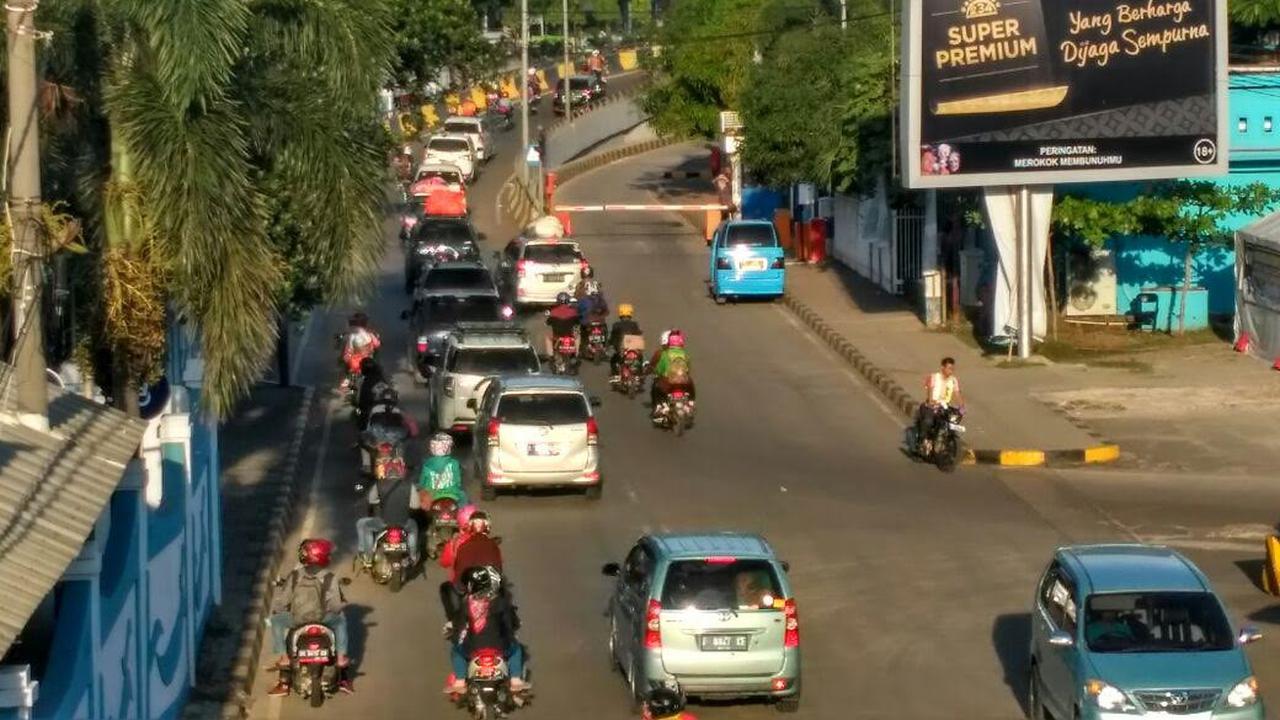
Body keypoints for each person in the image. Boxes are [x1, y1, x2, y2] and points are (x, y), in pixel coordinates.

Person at [267, 539, 353, 696]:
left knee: (277, 622)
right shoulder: (330, 577)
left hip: (298, 620)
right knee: (340, 622)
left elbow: (283, 602)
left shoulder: (295, 575)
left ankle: (284, 658)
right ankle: (340, 659)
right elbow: (335, 606)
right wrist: (340, 607)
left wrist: (278, 611)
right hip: (322, 619)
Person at [442, 566, 527, 695]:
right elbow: (510, 624)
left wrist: (455, 639)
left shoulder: (466, 605)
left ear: (471, 586)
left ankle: (460, 681)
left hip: (472, 649)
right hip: (499, 648)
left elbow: (459, 628)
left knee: (456, 651)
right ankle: (516, 680)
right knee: (516, 649)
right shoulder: (500, 602)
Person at [413, 432, 468, 531]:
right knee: (464, 500)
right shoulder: (454, 463)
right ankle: (463, 529)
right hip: (453, 496)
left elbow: (422, 483)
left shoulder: (427, 464)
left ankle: (422, 534)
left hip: (433, 498)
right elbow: (458, 482)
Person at [440, 507, 504, 584]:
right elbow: (499, 563)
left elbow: (444, 562)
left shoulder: (453, 543)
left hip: (460, 584)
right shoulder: (487, 542)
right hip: (485, 583)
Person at [915, 356, 962, 453]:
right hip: (930, 407)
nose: (951, 371)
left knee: (951, 422)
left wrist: (962, 407)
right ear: (942, 368)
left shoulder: (953, 380)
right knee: (928, 421)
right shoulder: (934, 377)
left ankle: (942, 443)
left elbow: (957, 394)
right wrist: (932, 401)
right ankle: (922, 441)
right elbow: (930, 390)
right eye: (949, 368)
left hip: (944, 408)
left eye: (952, 369)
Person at [648, 329, 695, 418]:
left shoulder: (665, 354)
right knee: (690, 382)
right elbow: (688, 368)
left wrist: (658, 373)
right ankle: (691, 402)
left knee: (656, 386)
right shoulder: (685, 354)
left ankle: (659, 406)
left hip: (668, 382)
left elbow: (659, 369)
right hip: (683, 381)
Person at [339, 312, 380, 392]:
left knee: (346, 368)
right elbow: (377, 344)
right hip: (369, 360)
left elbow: (349, 350)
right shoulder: (370, 334)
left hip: (356, 363)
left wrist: (345, 358)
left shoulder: (353, 336)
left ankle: (347, 384)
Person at [608, 303, 644, 380]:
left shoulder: (616, 325)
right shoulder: (634, 324)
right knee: (640, 358)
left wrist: (610, 344)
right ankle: (640, 373)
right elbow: (638, 334)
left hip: (622, 349)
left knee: (613, 360)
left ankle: (615, 374)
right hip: (633, 348)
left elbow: (613, 337)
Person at [545, 291, 581, 356]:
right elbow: (577, 322)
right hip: (570, 334)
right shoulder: (573, 311)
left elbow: (548, 323)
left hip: (557, 335)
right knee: (578, 336)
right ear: (568, 301)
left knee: (548, 338)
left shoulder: (553, 312)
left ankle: (551, 355)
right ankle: (577, 353)